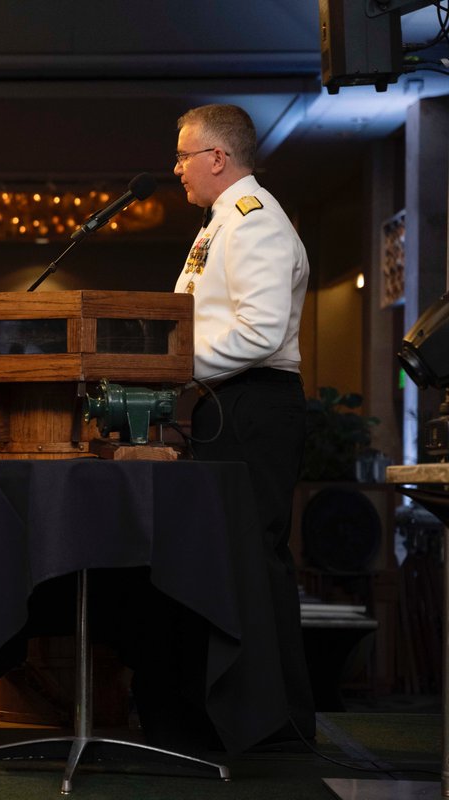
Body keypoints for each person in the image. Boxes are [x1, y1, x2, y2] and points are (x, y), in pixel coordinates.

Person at [168, 103, 314, 744]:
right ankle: (234, 714)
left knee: (252, 560)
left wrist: (171, 367)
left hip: (253, 405)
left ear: (217, 158)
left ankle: (274, 722)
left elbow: (259, 332)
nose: (177, 168)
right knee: (226, 559)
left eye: (183, 155)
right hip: (226, 403)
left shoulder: (255, 221)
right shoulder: (219, 222)